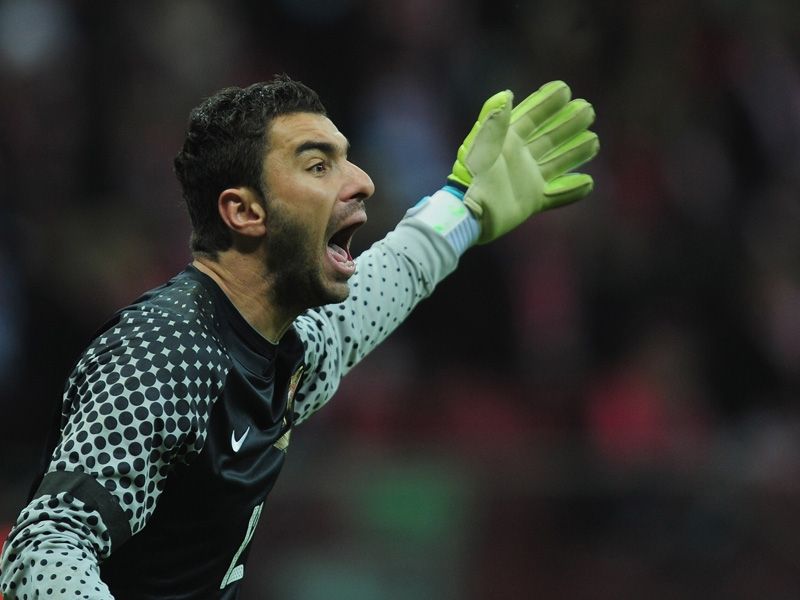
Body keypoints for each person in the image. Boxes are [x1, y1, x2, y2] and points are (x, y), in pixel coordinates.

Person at [0, 74, 598, 598]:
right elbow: (45, 547)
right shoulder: (168, 353)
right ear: (245, 212)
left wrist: (464, 207)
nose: (362, 182)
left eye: (347, 160)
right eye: (319, 165)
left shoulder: (279, 349)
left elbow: (378, 291)